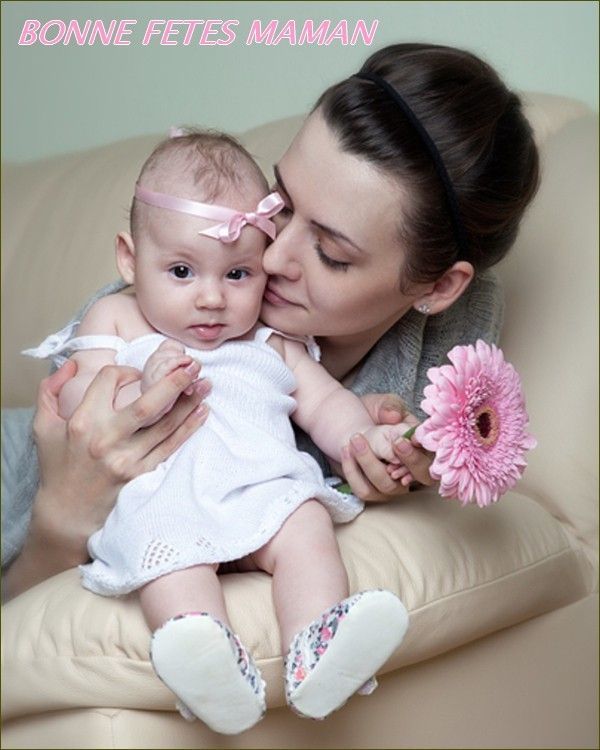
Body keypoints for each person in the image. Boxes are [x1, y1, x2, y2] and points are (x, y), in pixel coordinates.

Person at [3, 40, 539, 654]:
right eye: (280, 205)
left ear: (439, 287)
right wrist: (62, 513)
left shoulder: (454, 334)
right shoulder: (151, 310)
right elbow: (20, 609)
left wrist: (403, 466)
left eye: (331, 254)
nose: (272, 256)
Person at [20, 129, 411, 734]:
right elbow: (80, 397)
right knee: (170, 563)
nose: (210, 299)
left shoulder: (270, 340)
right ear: (129, 259)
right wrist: (137, 382)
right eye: (181, 270)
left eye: (237, 274)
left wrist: (371, 440)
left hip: (259, 490)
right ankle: (208, 666)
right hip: (166, 499)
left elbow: (327, 404)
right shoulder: (117, 315)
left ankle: (320, 647)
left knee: (306, 524)